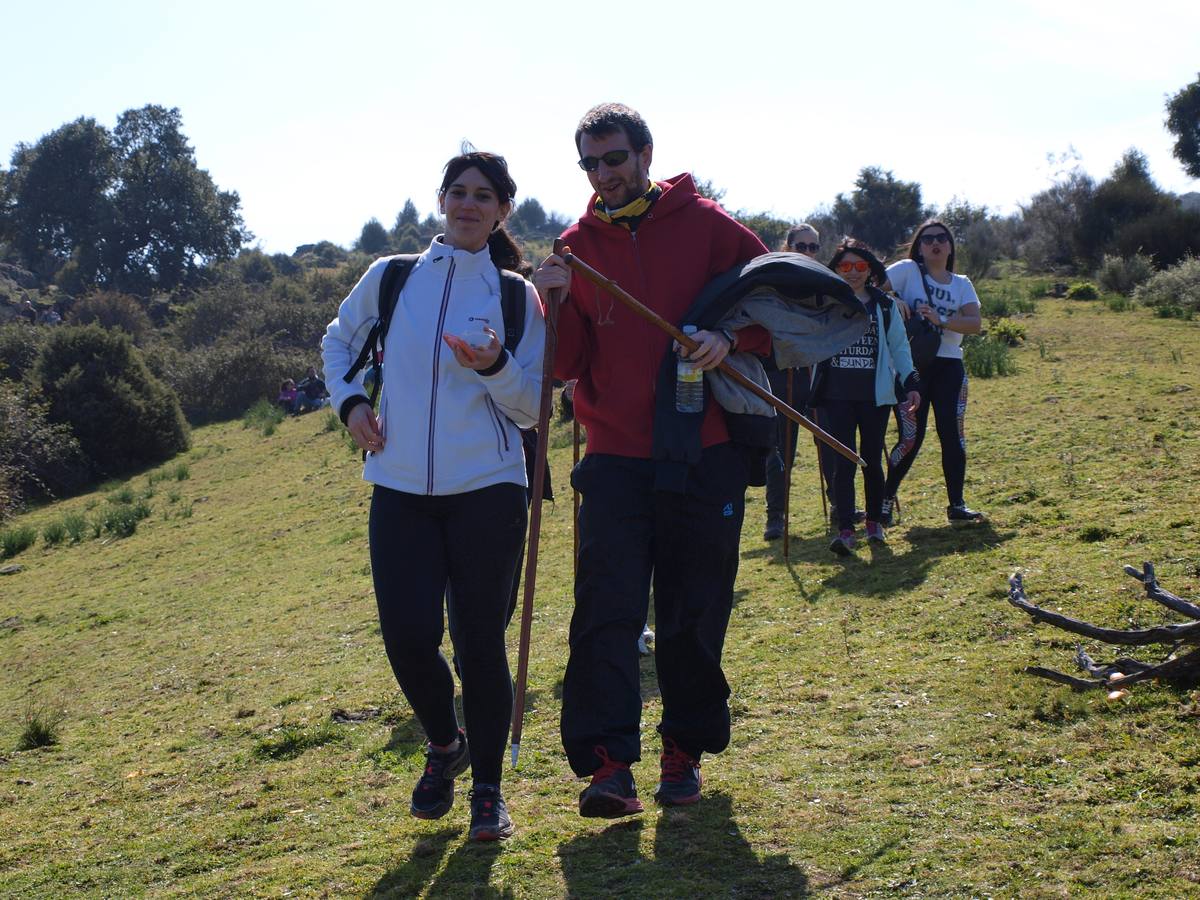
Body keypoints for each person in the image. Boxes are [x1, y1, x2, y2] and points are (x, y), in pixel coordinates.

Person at [533, 102, 769, 818]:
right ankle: (609, 767)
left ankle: (683, 754)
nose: (603, 175)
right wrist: (555, 304)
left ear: (645, 153)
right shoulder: (576, 248)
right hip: (614, 457)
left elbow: (777, 304)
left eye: (614, 159)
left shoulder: (710, 225)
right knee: (605, 610)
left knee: (694, 608)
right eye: (591, 164)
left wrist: (734, 339)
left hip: (707, 451)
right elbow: (567, 363)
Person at [321, 149, 545, 842]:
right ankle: (444, 743)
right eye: (458, 192)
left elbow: (534, 406)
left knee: (481, 643)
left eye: (484, 195)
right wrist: (352, 401)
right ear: (441, 201)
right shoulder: (390, 278)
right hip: (399, 490)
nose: (469, 204)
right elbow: (337, 342)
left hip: (488, 489)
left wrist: (494, 365)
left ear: (503, 210)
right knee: (409, 638)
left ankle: (487, 792)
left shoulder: (515, 296)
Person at [807, 239, 920, 555]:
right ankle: (845, 529)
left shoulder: (884, 305)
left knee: (871, 460)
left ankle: (874, 523)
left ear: (870, 269)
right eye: (845, 266)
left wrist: (911, 381)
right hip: (835, 396)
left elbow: (899, 346)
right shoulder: (826, 302)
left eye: (859, 266)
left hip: (875, 395)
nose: (853, 272)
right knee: (844, 463)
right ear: (836, 270)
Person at [882, 219, 984, 525]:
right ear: (919, 246)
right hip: (910, 368)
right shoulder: (906, 271)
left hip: (950, 365)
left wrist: (941, 319)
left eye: (942, 238)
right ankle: (884, 502)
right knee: (910, 438)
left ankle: (957, 506)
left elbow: (975, 323)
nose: (935, 243)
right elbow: (872, 291)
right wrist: (894, 299)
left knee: (952, 435)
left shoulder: (962, 283)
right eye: (928, 239)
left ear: (951, 246)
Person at [762, 224, 820, 540]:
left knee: (828, 441)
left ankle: (842, 510)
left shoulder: (821, 282)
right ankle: (775, 517)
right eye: (802, 246)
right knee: (781, 448)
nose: (808, 252)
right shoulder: (775, 279)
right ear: (788, 246)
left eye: (813, 247)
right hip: (780, 373)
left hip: (815, 372)